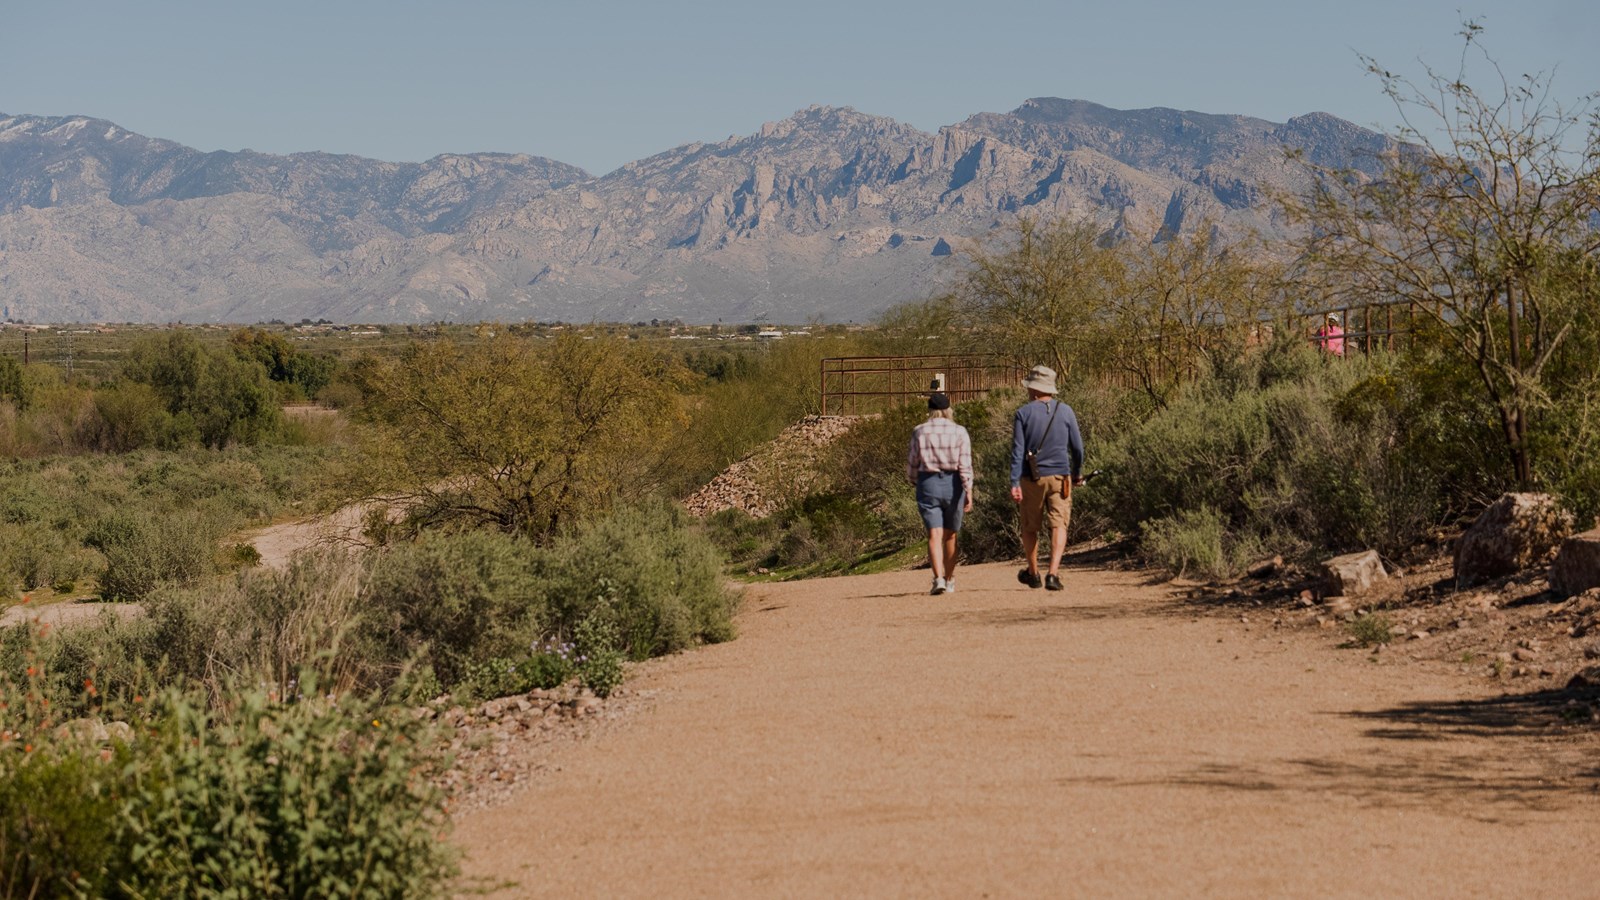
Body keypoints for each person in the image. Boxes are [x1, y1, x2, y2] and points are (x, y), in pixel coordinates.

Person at [1009, 365, 1084, 591]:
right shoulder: (1066, 411)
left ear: (1032, 389)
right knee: (1059, 524)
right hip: (1061, 476)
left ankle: (1033, 572)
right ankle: (1053, 573)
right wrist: (1077, 473)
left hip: (1032, 478)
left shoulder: (1023, 413)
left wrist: (1014, 482)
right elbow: (1078, 448)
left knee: (1030, 527)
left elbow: (1018, 451)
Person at [906, 392, 973, 595]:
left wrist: (915, 481)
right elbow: (965, 464)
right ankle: (950, 579)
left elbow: (912, 463)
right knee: (951, 535)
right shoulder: (960, 431)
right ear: (948, 409)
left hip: (928, 482)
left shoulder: (920, 431)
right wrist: (968, 489)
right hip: (953, 483)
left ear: (930, 410)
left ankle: (938, 579)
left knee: (934, 534)